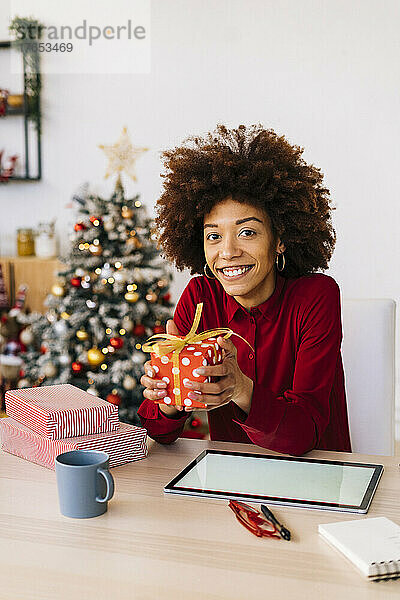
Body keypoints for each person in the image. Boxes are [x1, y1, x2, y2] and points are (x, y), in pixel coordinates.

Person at [138, 124, 351, 456]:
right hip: (231, 479)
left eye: (247, 232)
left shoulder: (316, 297)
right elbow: (157, 433)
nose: (228, 251)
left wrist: (239, 387)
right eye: (213, 236)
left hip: (321, 479)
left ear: (279, 240)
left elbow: (303, 436)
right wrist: (167, 396)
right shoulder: (200, 299)